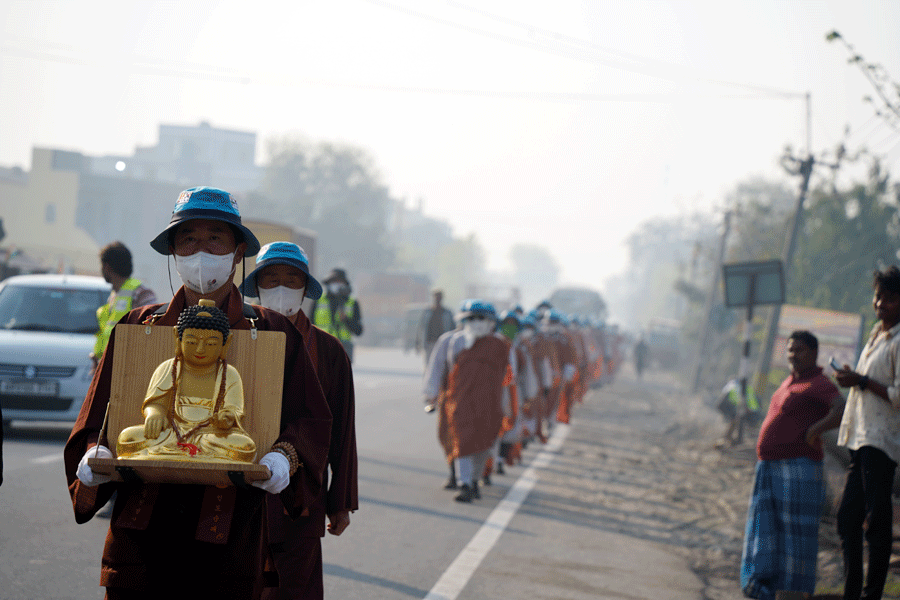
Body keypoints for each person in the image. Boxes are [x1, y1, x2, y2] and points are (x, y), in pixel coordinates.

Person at [64, 187, 333, 599]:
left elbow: (310, 420)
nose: (201, 251)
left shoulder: (273, 332)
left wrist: (285, 454)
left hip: (231, 527)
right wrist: (94, 451)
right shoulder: (139, 329)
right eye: (189, 238)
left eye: (215, 239)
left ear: (238, 251)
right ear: (173, 250)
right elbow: (98, 414)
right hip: (143, 521)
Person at [240, 241, 357, 600]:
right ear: (256, 287)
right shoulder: (234, 338)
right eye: (271, 279)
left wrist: (341, 500)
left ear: (306, 289)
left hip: (302, 495)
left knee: (295, 588)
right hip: (239, 491)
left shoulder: (329, 350)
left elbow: (342, 431)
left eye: (292, 280)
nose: (280, 288)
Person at [740, 330, 844, 600]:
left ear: (813, 353)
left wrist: (815, 431)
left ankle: (793, 594)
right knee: (769, 531)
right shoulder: (790, 381)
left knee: (794, 537)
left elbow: (840, 408)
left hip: (798, 469)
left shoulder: (820, 383)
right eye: (789, 350)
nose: (792, 355)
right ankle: (768, 589)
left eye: (799, 350)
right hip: (772, 468)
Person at [116, 301, 256, 462]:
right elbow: (156, 403)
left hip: (210, 436)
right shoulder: (169, 367)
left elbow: (234, 409)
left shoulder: (228, 373)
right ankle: (203, 458)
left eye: (211, 344)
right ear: (178, 338)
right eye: (191, 342)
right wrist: (155, 414)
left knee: (245, 446)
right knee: (128, 438)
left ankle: (164, 456)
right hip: (171, 433)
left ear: (226, 344)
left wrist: (227, 417)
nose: (200, 350)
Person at [833, 265, 900, 600]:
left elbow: (899, 395)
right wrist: (854, 377)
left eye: (889, 298)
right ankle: (852, 591)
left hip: (882, 440)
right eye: (878, 296)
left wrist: (860, 380)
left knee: (876, 520)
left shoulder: (899, 340)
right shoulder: (878, 334)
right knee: (848, 519)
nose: (881, 304)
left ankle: (872, 593)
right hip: (861, 436)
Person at [423, 299, 512, 502]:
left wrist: (508, 404)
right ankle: (464, 483)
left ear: (491, 322)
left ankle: (474, 479)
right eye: (471, 318)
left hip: (490, 403)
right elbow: (439, 368)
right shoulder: (454, 342)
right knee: (461, 441)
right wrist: (432, 392)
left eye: (482, 318)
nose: (476, 322)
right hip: (460, 401)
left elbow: (508, 377)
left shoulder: (501, 345)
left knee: (484, 445)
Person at [92, 241, 157, 368]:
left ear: (107, 267)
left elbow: (153, 331)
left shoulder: (141, 293)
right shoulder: (114, 295)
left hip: (128, 369)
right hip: (110, 367)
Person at [313, 268, 363, 362]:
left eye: (339, 281)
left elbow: (359, 331)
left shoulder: (352, 303)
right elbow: (308, 326)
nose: (336, 284)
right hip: (322, 346)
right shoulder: (319, 301)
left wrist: (346, 319)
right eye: (334, 281)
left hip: (343, 348)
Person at [415, 289, 455, 367]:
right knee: (428, 366)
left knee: (442, 366)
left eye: (439, 297)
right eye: (436, 297)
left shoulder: (447, 313)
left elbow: (453, 330)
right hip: (429, 343)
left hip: (443, 344)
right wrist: (417, 343)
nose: (437, 299)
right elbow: (420, 328)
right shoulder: (427, 312)